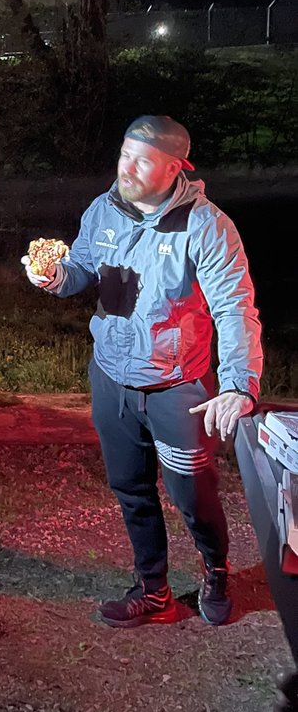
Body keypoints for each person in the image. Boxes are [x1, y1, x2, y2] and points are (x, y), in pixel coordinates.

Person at [22, 115, 263, 628]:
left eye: (142, 159)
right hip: (112, 379)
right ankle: (153, 590)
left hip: (180, 390)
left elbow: (235, 307)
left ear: (176, 167)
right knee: (130, 488)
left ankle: (216, 570)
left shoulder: (206, 226)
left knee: (192, 495)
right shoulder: (103, 210)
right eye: (124, 153)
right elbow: (81, 270)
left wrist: (239, 383)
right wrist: (54, 276)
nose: (126, 167)